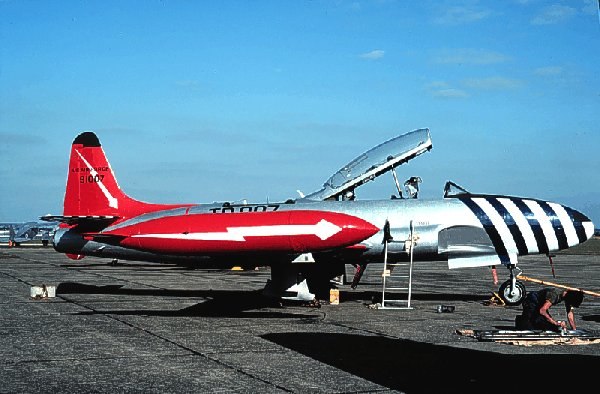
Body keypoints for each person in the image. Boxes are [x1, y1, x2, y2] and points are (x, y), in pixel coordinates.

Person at [516, 287, 584, 331]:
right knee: (532, 325)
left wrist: (574, 330)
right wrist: (554, 322)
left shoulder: (567, 297)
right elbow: (542, 310)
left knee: (550, 326)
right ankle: (522, 322)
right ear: (569, 299)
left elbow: (570, 314)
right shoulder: (554, 295)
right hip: (532, 301)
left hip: (540, 304)